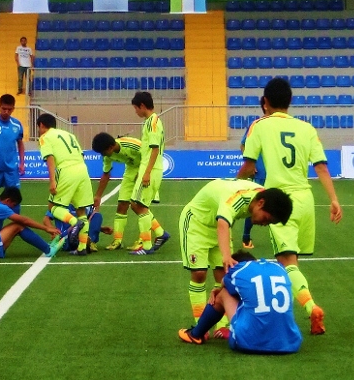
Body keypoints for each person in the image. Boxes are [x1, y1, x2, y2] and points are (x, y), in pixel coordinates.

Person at [237, 77, 343, 335]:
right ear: (290, 101)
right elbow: (321, 166)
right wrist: (333, 199)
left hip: (278, 201)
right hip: (305, 201)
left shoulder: (259, 126)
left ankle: (311, 308)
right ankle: (306, 305)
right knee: (292, 262)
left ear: (266, 101)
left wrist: (233, 184)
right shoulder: (306, 128)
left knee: (288, 263)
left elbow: (250, 166)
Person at [180, 179, 292, 335]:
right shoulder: (238, 197)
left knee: (224, 277)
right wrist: (226, 255)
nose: (264, 224)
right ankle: (200, 325)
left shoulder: (263, 196)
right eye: (266, 219)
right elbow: (223, 224)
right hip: (196, 223)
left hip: (219, 227)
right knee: (199, 274)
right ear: (260, 203)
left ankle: (223, 326)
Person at [179, 250, 303, 354]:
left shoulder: (238, 269)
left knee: (223, 294)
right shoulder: (279, 267)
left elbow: (225, 284)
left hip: (249, 342)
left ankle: (196, 334)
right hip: (290, 343)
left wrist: (219, 288)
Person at [92, 132, 162, 251]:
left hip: (145, 167)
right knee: (122, 205)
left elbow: (151, 155)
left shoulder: (132, 144)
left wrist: (144, 174)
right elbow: (106, 174)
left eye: (103, 152)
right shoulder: (106, 156)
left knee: (139, 206)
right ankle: (117, 241)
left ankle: (144, 238)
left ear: (111, 147)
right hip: (130, 169)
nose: (103, 155)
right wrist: (98, 196)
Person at [37, 113, 94, 255]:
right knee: (81, 210)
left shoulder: (45, 137)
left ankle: (75, 223)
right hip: (82, 169)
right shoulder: (69, 134)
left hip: (66, 170)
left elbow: (49, 158)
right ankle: (81, 248)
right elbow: (81, 154)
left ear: (42, 125)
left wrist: (52, 181)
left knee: (54, 208)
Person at [129, 91, 170, 255]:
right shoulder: (149, 122)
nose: (136, 112)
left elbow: (154, 149)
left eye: (135, 108)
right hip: (148, 168)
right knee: (136, 204)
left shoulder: (153, 122)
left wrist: (146, 173)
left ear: (142, 106)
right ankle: (160, 233)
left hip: (151, 169)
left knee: (139, 205)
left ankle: (146, 246)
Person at [0, 187, 61, 258]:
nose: (12, 208)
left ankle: (47, 247)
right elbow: (24, 220)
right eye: (13, 205)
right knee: (18, 225)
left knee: (16, 226)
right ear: (8, 200)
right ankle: (49, 250)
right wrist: (46, 228)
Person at [240, 98, 267, 249]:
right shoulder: (255, 125)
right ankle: (246, 237)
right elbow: (243, 144)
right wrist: (251, 162)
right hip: (261, 173)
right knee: (255, 204)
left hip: (278, 174)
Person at [43, 204, 113, 253]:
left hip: (81, 233)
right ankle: (86, 243)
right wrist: (53, 230)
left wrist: (99, 228)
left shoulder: (84, 204)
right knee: (76, 226)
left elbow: (85, 222)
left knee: (97, 216)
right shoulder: (61, 203)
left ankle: (90, 242)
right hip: (66, 236)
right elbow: (46, 219)